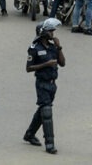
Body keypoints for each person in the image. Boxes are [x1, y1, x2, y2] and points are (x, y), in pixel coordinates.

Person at [23, 18, 65, 154]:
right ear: (43, 32)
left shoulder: (53, 47)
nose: (53, 33)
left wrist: (59, 47)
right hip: (42, 84)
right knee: (47, 112)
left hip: (53, 85)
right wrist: (45, 64)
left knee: (42, 110)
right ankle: (50, 144)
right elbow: (28, 68)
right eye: (51, 31)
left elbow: (63, 63)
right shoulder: (34, 48)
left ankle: (29, 134)